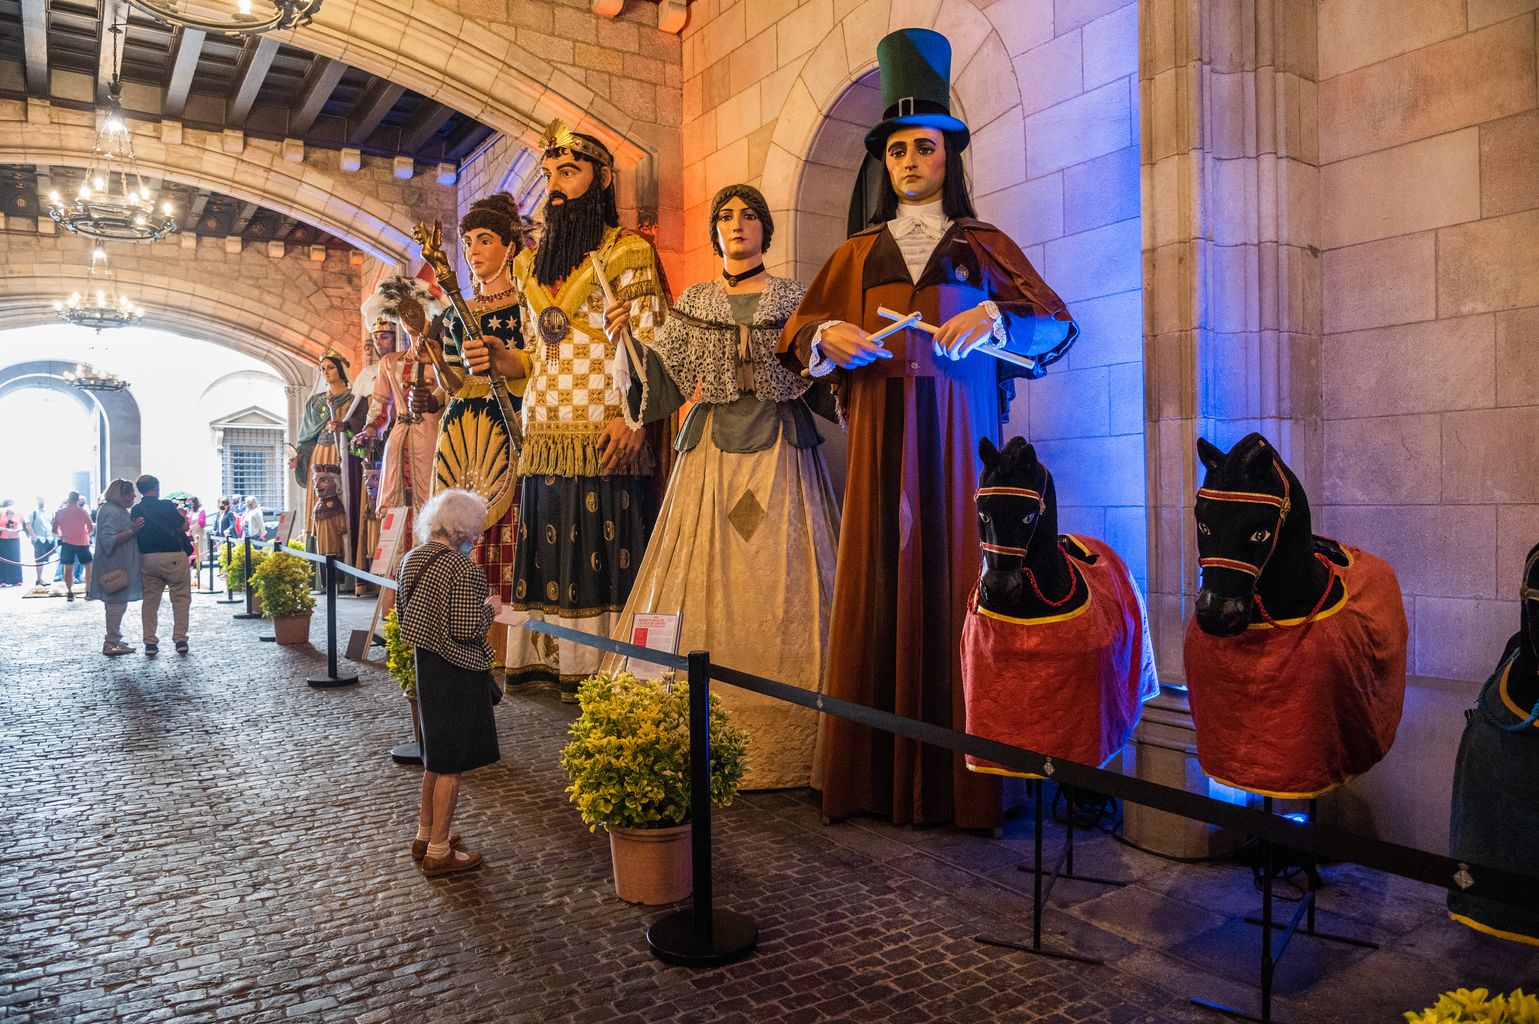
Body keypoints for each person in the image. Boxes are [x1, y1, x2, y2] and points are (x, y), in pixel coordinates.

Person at [781, 29, 1080, 829]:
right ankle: (870, 777)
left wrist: (993, 314)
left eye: (926, 147)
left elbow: (1053, 325)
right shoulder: (855, 252)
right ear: (883, 163)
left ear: (949, 156)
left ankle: (966, 783)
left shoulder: (984, 248)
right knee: (879, 573)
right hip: (879, 443)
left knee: (963, 575)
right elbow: (797, 337)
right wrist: (824, 337)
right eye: (898, 151)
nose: (911, 161)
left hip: (961, 445)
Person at [610, 183, 840, 790]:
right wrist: (629, 341)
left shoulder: (796, 299)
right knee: (705, 571)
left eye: (748, 217)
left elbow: (823, 376)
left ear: (766, 230)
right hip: (708, 455)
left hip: (784, 456)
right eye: (726, 217)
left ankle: (801, 732)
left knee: (782, 567)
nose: (737, 225)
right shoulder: (693, 302)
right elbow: (660, 381)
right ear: (715, 233)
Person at [494, 120, 668, 699]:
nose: (556, 187)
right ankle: (547, 660)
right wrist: (502, 358)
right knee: (550, 548)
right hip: (543, 429)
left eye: (568, 173)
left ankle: (598, 665)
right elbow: (531, 353)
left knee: (600, 547)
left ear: (603, 178)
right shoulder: (528, 266)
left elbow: (653, 346)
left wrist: (634, 417)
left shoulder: (630, 252)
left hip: (604, 425)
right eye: (549, 176)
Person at [423, 195, 530, 631]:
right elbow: (451, 385)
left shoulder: (527, 304)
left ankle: (503, 634)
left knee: (507, 519)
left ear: (509, 245)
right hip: (461, 424)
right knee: (452, 524)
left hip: (507, 418)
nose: (473, 251)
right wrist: (437, 361)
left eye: (484, 240)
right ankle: (452, 621)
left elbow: (535, 362)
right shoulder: (452, 314)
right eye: (468, 242)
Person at [396, 488, 501, 878]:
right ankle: (439, 850)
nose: (475, 537)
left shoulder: (411, 559)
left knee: (434, 759)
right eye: (474, 530)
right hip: (457, 671)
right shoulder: (461, 569)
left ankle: (425, 835)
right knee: (451, 766)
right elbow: (464, 628)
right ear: (463, 528)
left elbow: (406, 614)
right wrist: (489, 610)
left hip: (427, 667)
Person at [290, 354, 368, 565]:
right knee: (318, 503)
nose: (326, 372)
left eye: (331, 367)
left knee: (342, 500)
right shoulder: (315, 402)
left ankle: (346, 559)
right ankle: (318, 563)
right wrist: (299, 459)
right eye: (323, 368)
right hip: (318, 454)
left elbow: (361, 428)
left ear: (342, 370)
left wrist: (345, 427)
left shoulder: (356, 399)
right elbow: (306, 436)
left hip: (342, 453)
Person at [133, 474, 194, 656]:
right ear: (156, 488)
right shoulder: (167, 505)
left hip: (148, 558)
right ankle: (180, 639)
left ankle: (150, 642)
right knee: (181, 598)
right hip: (173, 556)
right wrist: (182, 515)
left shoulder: (136, 509)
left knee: (150, 601)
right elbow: (183, 527)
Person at [89, 479, 144, 656]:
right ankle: (111, 641)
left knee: (116, 605)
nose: (134, 496)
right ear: (121, 495)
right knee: (116, 604)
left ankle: (114, 638)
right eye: (130, 493)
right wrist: (132, 530)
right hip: (115, 566)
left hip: (116, 564)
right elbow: (108, 540)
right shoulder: (113, 512)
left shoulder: (110, 509)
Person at [51, 490, 94, 602]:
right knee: (88, 567)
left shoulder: (60, 512)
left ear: (68, 499)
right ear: (77, 499)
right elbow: (91, 529)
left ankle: (70, 592)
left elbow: (54, 530)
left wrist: (62, 536)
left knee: (68, 568)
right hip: (83, 542)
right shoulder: (83, 512)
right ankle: (88, 591)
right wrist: (85, 534)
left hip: (67, 543)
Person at [25, 497, 52, 588]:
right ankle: (39, 579)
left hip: (49, 538)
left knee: (47, 558)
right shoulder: (33, 512)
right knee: (39, 559)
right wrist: (35, 538)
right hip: (39, 539)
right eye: (40, 500)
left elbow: (51, 524)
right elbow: (28, 524)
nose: (42, 502)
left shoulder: (48, 512)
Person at [0, 500, 23, 587]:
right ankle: (3, 580)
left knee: (15, 559)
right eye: (9, 505)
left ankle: (17, 580)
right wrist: (6, 529)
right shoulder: (1, 514)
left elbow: (21, 525)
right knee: (4, 559)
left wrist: (18, 530)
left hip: (15, 539)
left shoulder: (18, 515)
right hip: (3, 539)